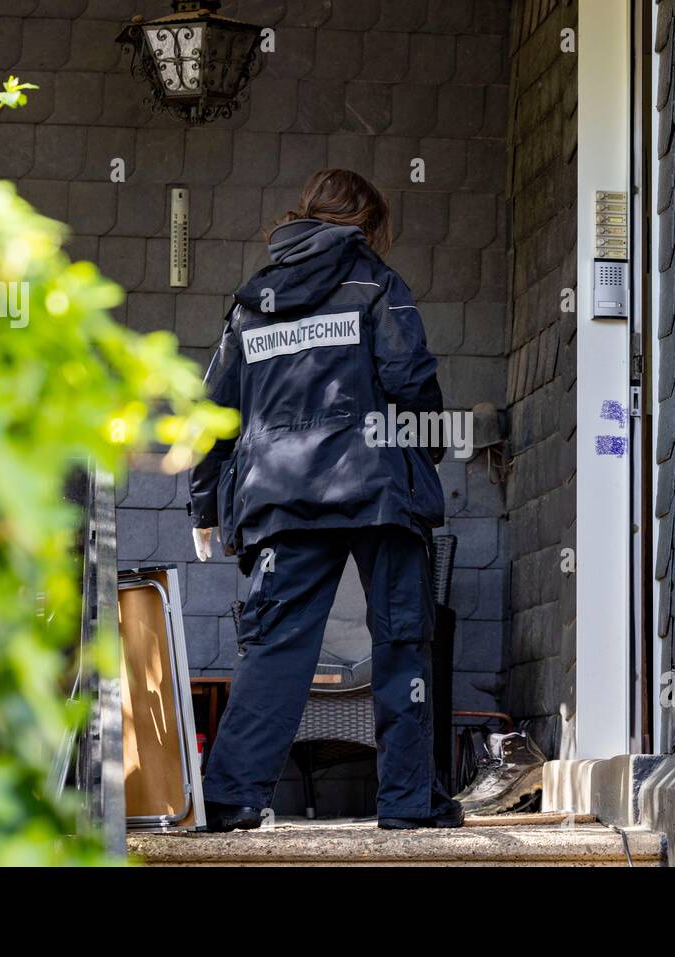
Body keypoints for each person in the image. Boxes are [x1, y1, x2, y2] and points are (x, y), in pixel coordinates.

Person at [187, 168, 462, 832]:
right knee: (401, 638)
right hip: (378, 490)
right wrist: (426, 450)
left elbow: (214, 409)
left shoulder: (252, 301)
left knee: (275, 646)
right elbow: (410, 380)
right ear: (367, 224)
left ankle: (232, 797)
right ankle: (408, 802)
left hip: (282, 496)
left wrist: (204, 502)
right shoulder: (376, 285)